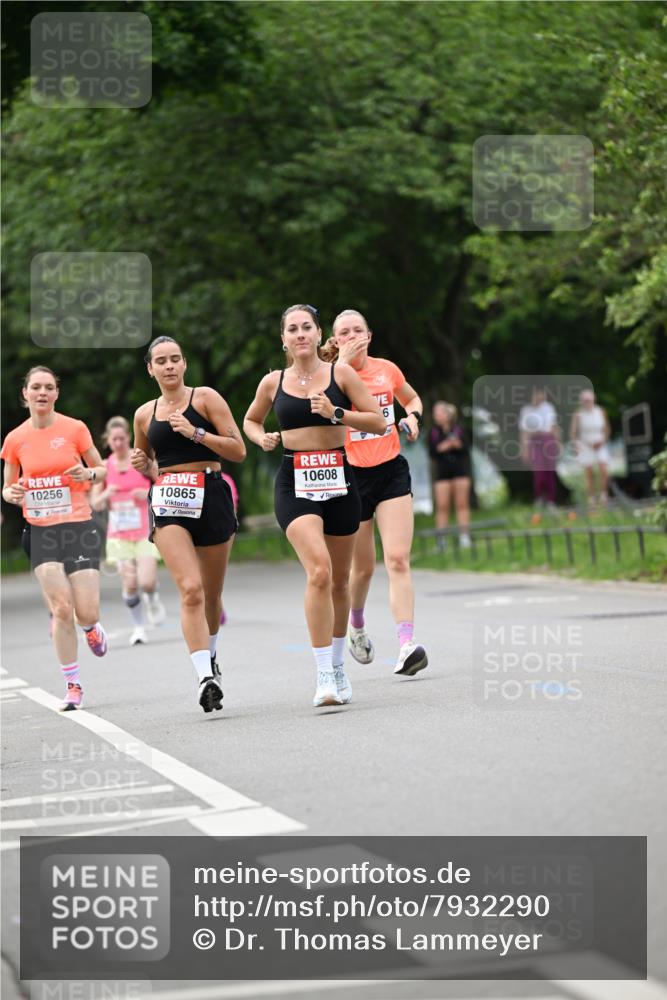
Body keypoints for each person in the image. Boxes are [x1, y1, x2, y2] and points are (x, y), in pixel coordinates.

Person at [243, 304, 386, 708]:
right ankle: (323, 672)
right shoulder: (273, 381)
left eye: (307, 327)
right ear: (283, 339)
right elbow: (250, 421)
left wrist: (336, 412)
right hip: (295, 482)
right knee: (319, 571)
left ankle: (338, 666)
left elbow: (378, 421)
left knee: (340, 581)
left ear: (319, 333)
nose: (300, 333)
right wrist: (261, 438)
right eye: (292, 329)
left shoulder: (341, 374)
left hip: (340, 480)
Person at [131, 337, 245, 713]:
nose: (169, 366)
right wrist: (143, 465)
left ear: (184, 364)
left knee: (211, 594)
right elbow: (148, 462)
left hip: (211, 493)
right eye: (161, 361)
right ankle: (204, 678)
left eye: (175, 359)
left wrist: (195, 433)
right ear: (150, 369)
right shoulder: (144, 414)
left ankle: (211, 656)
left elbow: (238, 450)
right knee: (191, 589)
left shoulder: (206, 398)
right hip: (169, 500)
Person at [322, 309, 429, 677]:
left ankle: (407, 644)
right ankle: (356, 626)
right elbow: (317, 413)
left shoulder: (387, 369)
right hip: (351, 476)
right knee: (363, 569)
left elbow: (412, 399)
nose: (352, 336)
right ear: (335, 340)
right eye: (344, 332)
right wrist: (341, 367)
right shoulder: (330, 377)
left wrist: (412, 417)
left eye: (358, 330)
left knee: (397, 559)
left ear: (369, 335)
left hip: (390, 471)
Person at [1, 366, 109, 711]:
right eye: (36, 387)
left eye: (49, 387)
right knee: (61, 608)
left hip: (78, 526)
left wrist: (87, 473)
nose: (42, 392)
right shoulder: (15, 439)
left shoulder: (74, 429)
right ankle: (73, 685)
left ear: (56, 394)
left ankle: (91, 628)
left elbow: (102, 468)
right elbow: (7, 487)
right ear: (26, 394)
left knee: (86, 612)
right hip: (40, 530)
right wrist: (11, 493)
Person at [91, 416, 166, 645]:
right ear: (108, 440)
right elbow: (95, 503)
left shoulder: (140, 460)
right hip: (118, 535)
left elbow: (164, 482)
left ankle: (152, 597)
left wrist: (148, 493)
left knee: (147, 582)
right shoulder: (104, 467)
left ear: (128, 438)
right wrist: (106, 493)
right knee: (130, 583)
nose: (118, 443)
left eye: (122, 438)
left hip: (144, 531)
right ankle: (139, 627)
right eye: (114, 439)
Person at [429, 401, 472, 549]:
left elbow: (466, 448)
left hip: (460, 472)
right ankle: (441, 540)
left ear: (448, 414)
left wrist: (456, 445)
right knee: (442, 506)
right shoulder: (434, 432)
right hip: (442, 473)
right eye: (435, 413)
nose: (436, 416)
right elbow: (432, 452)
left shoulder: (459, 430)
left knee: (462, 504)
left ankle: (464, 537)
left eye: (439, 412)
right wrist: (443, 447)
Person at [519, 387, 560, 510]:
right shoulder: (526, 410)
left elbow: (554, 427)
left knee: (550, 470)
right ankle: (540, 496)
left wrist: (558, 443)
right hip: (534, 440)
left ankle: (551, 500)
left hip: (548, 439)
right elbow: (524, 432)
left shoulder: (548, 408)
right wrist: (524, 449)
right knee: (539, 471)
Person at [570, 389, 611, 506]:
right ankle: (591, 498)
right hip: (586, 445)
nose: (587, 402)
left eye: (589, 400)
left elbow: (607, 429)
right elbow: (573, 432)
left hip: (600, 444)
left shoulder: (600, 411)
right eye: (585, 400)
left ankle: (603, 495)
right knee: (589, 473)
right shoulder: (578, 414)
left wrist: (602, 441)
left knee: (604, 469)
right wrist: (575, 444)